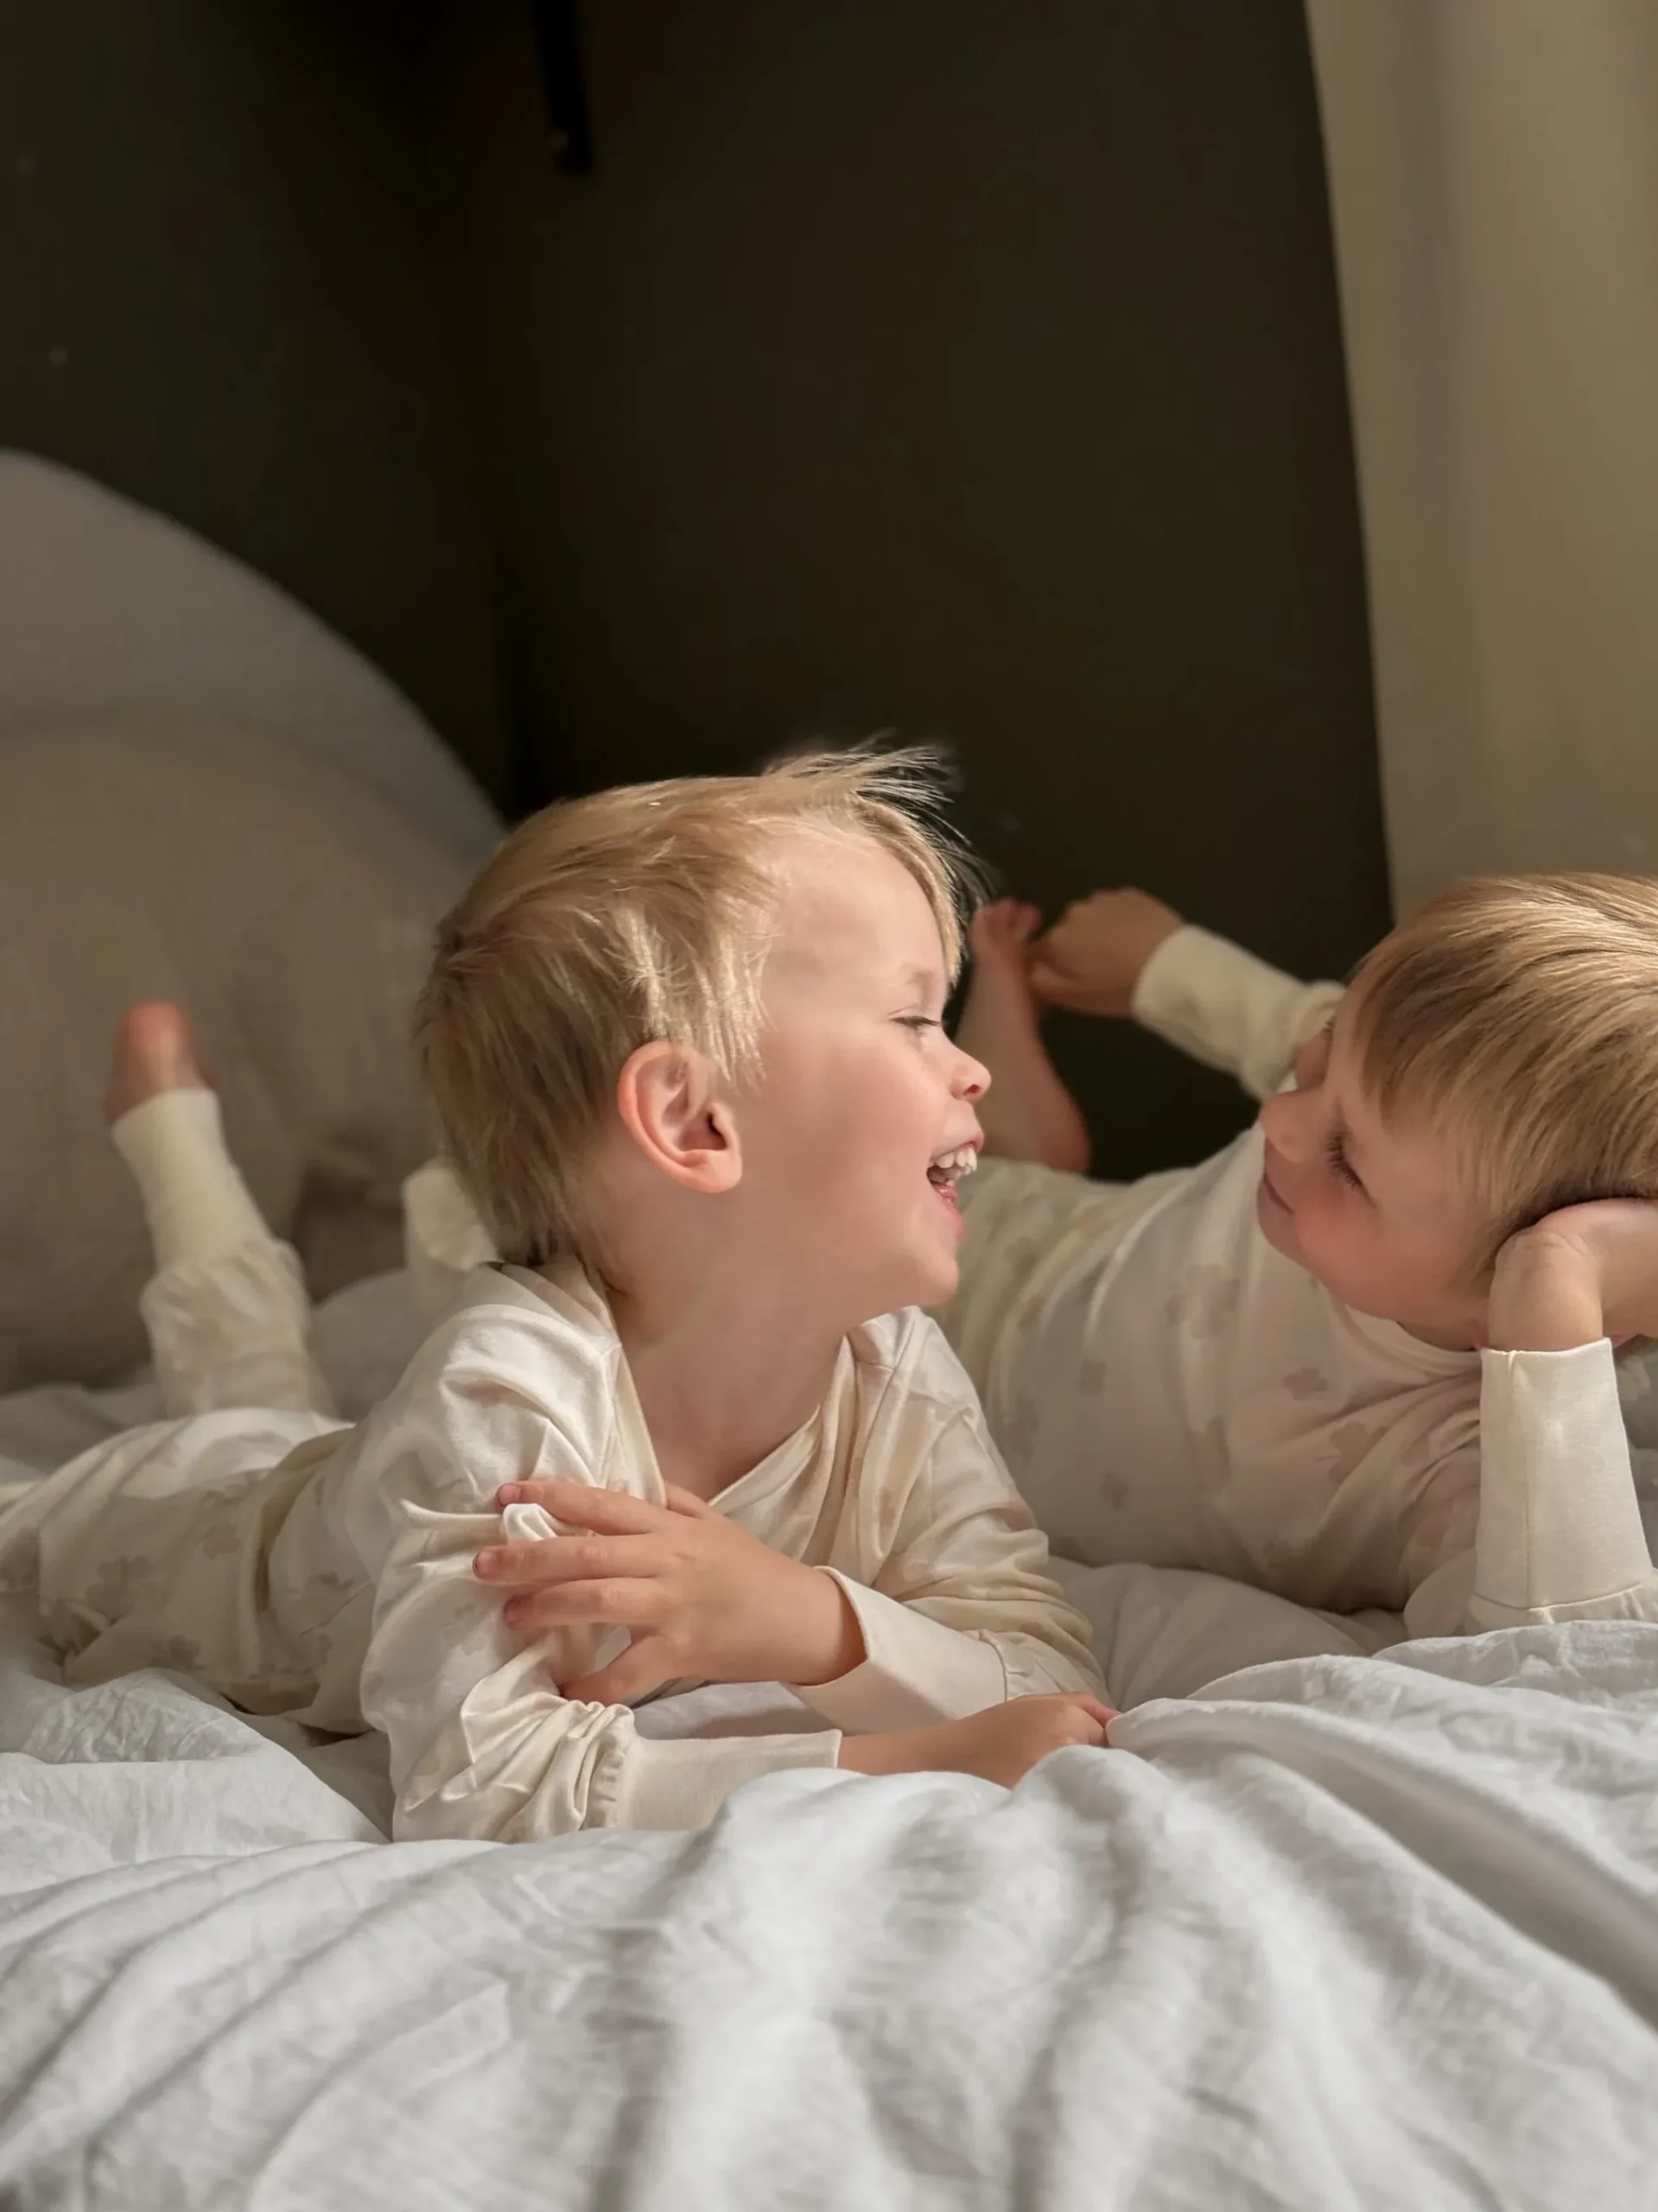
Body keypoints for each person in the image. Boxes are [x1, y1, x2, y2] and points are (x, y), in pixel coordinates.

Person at [0, 751, 1110, 1840]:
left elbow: (1044, 1669)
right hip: (171, 1534)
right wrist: (906, 1757)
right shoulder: (500, 1398)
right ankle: (173, 1140)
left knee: (272, 1417)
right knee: (186, 1458)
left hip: (339, 1488)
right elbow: (483, 1784)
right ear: (692, 1122)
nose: (970, 1068)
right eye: (914, 1019)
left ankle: (174, 1128)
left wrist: (814, 1624)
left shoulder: (892, 1366)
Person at [924, 876, 1658, 1643]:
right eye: (1321, 1059)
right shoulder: (1386, 1099)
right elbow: (1288, 1019)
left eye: (1346, 1160)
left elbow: (1562, 1652)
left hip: (959, 1439)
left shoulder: (1457, 1469)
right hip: (1021, 1243)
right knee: (982, 1162)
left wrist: (1554, 1291)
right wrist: (1164, 963)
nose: (1279, 1117)